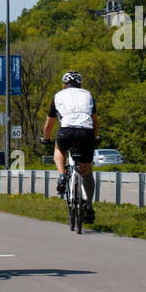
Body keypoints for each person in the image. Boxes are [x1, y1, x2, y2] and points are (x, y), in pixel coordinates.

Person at [41, 72, 98, 223]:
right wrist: (95, 137)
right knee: (87, 171)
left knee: (59, 149)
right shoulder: (87, 95)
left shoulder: (58, 96)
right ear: (80, 84)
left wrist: (46, 139)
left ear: (64, 84)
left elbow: (49, 124)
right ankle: (89, 207)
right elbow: (95, 121)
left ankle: (61, 175)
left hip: (66, 130)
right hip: (86, 131)